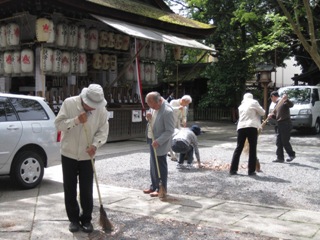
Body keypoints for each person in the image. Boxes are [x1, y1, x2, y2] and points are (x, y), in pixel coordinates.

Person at [54, 84, 109, 233]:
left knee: (86, 188)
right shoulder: (69, 103)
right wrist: (76, 120)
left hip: (87, 155)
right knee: (70, 188)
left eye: (95, 106)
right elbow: (58, 124)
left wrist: (95, 145)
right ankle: (73, 219)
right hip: (69, 153)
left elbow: (103, 130)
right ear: (84, 100)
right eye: (91, 106)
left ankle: (86, 219)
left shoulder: (101, 110)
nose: (93, 108)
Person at [143, 91, 175, 197]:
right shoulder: (154, 105)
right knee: (153, 164)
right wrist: (147, 115)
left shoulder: (168, 111)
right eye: (149, 106)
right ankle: (154, 186)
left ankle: (162, 188)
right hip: (151, 138)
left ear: (159, 101)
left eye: (153, 106)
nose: (151, 108)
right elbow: (150, 115)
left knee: (160, 165)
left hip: (160, 142)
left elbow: (170, 130)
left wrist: (159, 141)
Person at [229, 93, 265, 176]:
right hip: (251, 127)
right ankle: (251, 171)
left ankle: (233, 170)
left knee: (238, 148)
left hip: (241, 127)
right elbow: (262, 112)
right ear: (251, 97)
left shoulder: (241, 106)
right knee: (252, 148)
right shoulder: (254, 102)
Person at [268, 91, 296, 163]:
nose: (272, 100)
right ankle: (280, 157)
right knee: (278, 142)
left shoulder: (282, 101)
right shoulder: (276, 105)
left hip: (285, 123)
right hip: (279, 124)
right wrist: (271, 116)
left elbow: (291, 105)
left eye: (271, 98)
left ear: (273, 96)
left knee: (284, 141)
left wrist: (286, 99)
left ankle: (291, 154)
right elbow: (277, 117)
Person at [168, 95, 192, 161]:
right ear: (183, 100)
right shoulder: (173, 102)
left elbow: (184, 116)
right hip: (170, 122)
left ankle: (176, 154)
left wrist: (184, 121)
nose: (187, 105)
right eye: (186, 103)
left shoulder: (185, 107)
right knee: (170, 138)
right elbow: (169, 109)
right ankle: (172, 154)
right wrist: (178, 108)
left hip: (178, 123)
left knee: (177, 138)